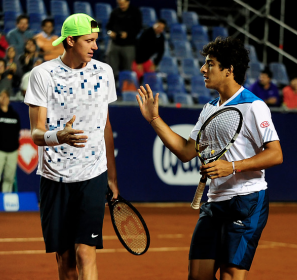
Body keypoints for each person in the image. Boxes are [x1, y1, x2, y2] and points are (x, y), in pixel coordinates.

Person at [136, 37, 283, 280]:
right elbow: (185, 151)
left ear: (229, 70)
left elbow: (275, 154)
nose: (203, 69)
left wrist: (232, 167)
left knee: (230, 275)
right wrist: (154, 119)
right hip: (215, 203)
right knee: (197, 276)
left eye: (210, 64)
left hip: (246, 201)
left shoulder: (254, 106)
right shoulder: (210, 108)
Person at [24, 13, 119, 280]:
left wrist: (112, 176)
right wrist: (60, 136)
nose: (95, 47)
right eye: (89, 40)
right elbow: (36, 133)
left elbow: (105, 126)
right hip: (54, 177)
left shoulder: (104, 72)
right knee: (65, 259)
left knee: (86, 252)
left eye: (96, 40)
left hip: (92, 175)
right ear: (69, 41)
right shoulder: (42, 74)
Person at [106, 0, 142, 77]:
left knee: (128, 68)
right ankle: (113, 85)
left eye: (123, 4)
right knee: (111, 67)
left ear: (128, 2)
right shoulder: (115, 12)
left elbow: (138, 28)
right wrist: (110, 32)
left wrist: (128, 34)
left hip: (128, 45)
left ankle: (127, 86)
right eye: (119, 4)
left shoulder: (135, 12)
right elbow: (108, 27)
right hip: (115, 43)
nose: (121, 6)